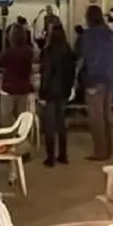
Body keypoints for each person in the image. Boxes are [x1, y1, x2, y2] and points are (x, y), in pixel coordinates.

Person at [76, 5, 113, 161]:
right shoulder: (110, 34)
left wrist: (77, 77)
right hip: (110, 78)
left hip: (94, 79)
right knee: (106, 114)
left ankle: (100, 151)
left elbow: (82, 59)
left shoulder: (87, 36)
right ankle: (110, 149)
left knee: (96, 117)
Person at [38, 23, 76, 166]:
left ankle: (50, 157)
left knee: (49, 125)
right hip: (63, 91)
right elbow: (72, 72)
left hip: (50, 92)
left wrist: (42, 93)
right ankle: (63, 154)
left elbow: (46, 74)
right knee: (61, 124)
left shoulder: (49, 52)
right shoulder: (68, 51)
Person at [0, 25, 35, 125]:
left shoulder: (8, 53)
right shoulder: (28, 52)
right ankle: (21, 137)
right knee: (22, 117)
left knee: (6, 119)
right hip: (23, 88)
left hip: (9, 88)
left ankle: (9, 138)